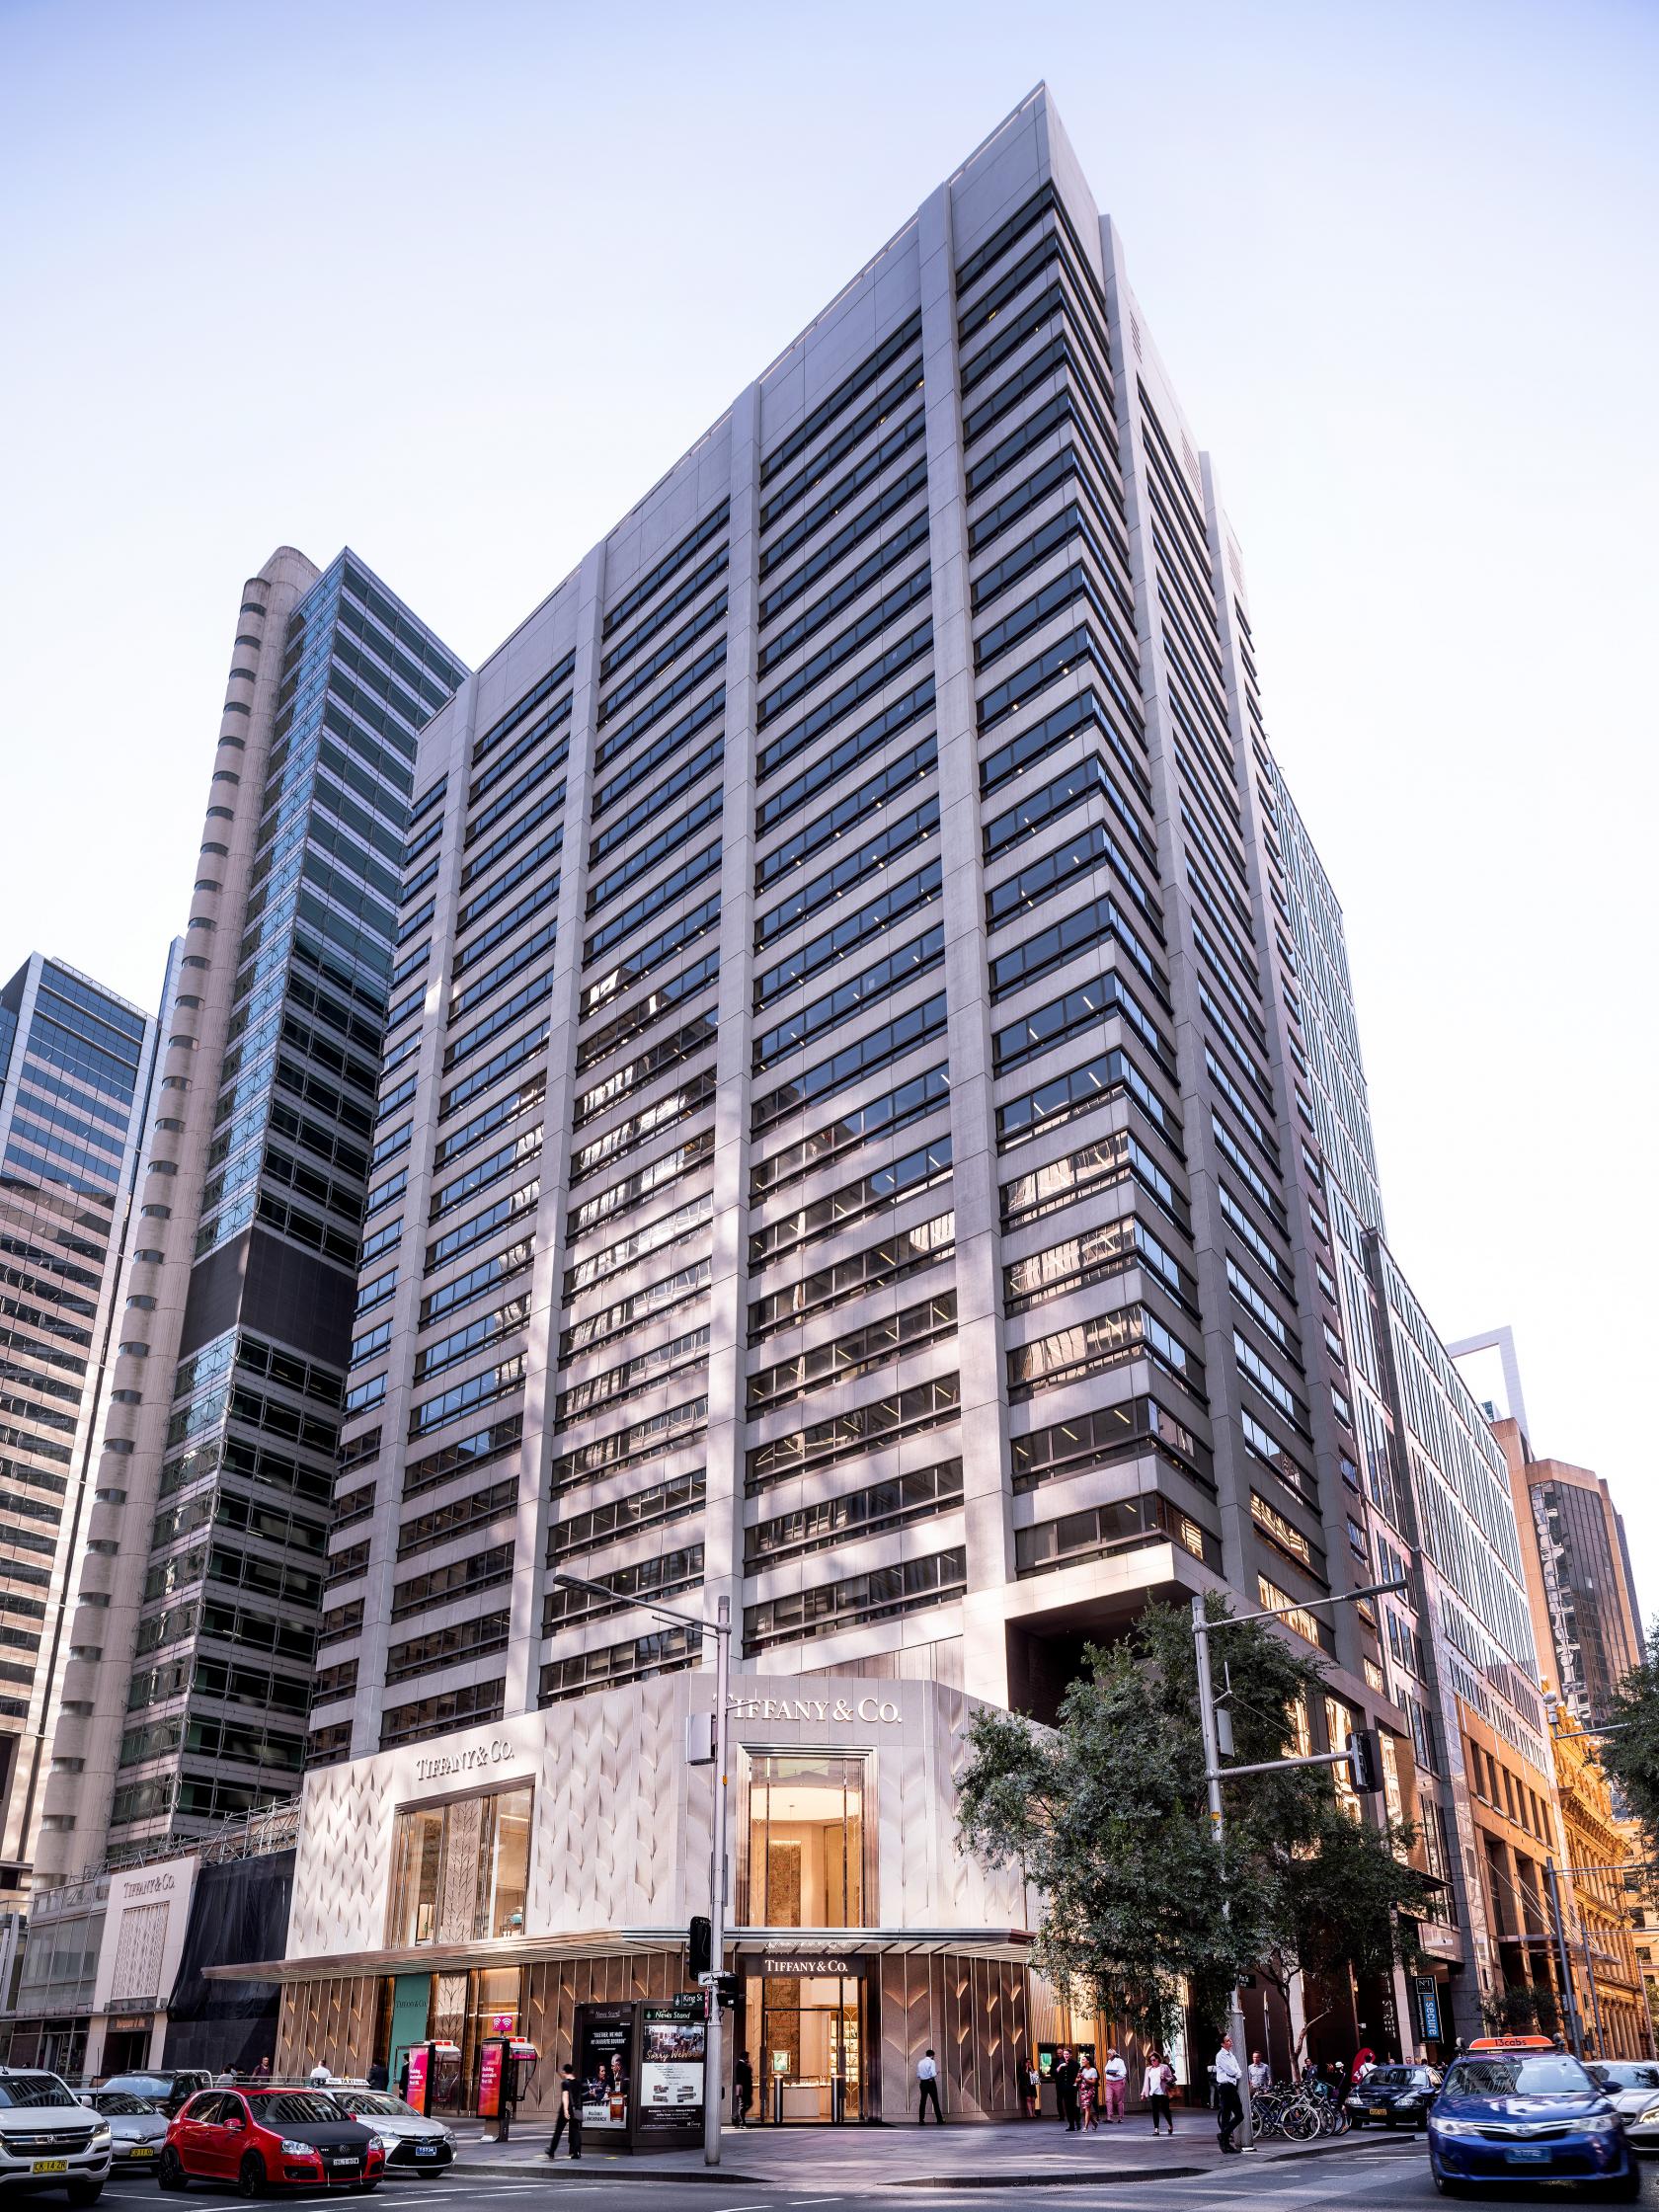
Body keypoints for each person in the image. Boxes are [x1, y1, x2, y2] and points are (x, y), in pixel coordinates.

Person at [1213, 2034, 1243, 2154]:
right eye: (1227, 2040)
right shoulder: (1220, 2055)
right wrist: (1236, 2073)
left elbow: (1238, 2070)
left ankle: (1223, 2137)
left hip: (1231, 2087)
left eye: (1230, 2039)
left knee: (1238, 2115)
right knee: (1227, 2115)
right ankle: (1225, 2142)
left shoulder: (1231, 2055)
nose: (1230, 2041)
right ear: (1222, 2044)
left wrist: (1236, 2073)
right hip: (1225, 2087)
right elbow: (1231, 2071)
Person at [545, 2063, 581, 2161]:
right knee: (575, 2131)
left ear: (565, 2072)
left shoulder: (565, 2083)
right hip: (575, 2110)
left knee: (558, 2131)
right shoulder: (578, 2083)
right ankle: (577, 2152)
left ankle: (551, 2152)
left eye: (563, 2071)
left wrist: (565, 2110)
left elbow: (565, 2097)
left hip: (565, 2110)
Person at [1143, 2050, 1175, 2136]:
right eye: (1151, 2060)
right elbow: (1146, 2082)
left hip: (1163, 2092)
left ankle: (1170, 2125)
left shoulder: (1164, 2067)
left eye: (1154, 2060)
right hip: (1153, 2093)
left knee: (1165, 2111)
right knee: (1155, 2111)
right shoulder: (1148, 2069)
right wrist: (1143, 2093)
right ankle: (1156, 2129)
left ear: (1158, 2059)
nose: (1152, 2062)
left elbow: (1171, 2077)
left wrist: (1165, 2078)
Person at [1054, 2046, 1079, 2132]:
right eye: (1064, 2054)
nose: (1066, 2056)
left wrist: (1075, 2085)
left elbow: (1078, 2075)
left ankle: (1077, 2122)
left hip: (1072, 2088)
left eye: (1067, 2054)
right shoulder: (1060, 2063)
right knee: (1067, 2106)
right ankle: (1071, 2125)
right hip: (1063, 2088)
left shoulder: (1075, 2064)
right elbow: (1055, 2073)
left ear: (1070, 2055)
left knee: (1073, 2106)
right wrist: (1060, 2066)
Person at [916, 2047, 943, 2124]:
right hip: (930, 2082)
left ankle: (921, 2120)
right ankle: (939, 2120)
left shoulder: (920, 2062)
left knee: (923, 2101)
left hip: (923, 2083)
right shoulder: (931, 2061)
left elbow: (918, 2075)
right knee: (935, 2101)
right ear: (932, 2055)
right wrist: (937, 2073)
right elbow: (933, 2074)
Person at [1102, 2047, 1127, 2124]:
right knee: (1108, 2099)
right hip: (1109, 2083)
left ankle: (1120, 2117)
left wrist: (1117, 2074)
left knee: (1119, 2101)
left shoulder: (1119, 2061)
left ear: (1113, 2054)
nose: (1108, 2055)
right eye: (1107, 2054)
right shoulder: (1109, 2061)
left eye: (1109, 2053)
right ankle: (1109, 2117)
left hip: (1118, 2082)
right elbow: (1106, 2070)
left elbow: (1124, 2071)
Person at [1078, 2052, 1099, 2130]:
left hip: (1090, 2090)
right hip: (1083, 2091)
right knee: (1085, 2109)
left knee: (1087, 2108)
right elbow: (1076, 2079)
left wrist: (1084, 2078)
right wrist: (1079, 2077)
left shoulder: (1093, 2070)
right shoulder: (1082, 2069)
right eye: (1082, 2060)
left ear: (1088, 2061)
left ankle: (1085, 2127)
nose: (1082, 2061)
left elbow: (1093, 2082)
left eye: (1084, 2060)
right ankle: (1094, 2122)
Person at [734, 2051, 753, 2128]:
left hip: (746, 2088)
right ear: (744, 2057)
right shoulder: (740, 2064)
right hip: (743, 2088)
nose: (748, 2058)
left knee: (748, 2103)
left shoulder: (744, 2064)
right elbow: (740, 2077)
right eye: (747, 2056)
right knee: (743, 2104)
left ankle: (738, 2117)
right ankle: (741, 2121)